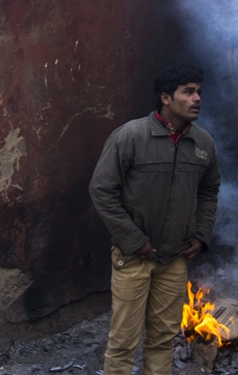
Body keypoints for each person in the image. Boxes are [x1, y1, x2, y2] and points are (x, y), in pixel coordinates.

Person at [89, 64, 221, 375]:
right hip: (133, 258)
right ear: (165, 98)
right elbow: (101, 190)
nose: (197, 98)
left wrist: (201, 234)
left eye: (199, 92)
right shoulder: (131, 136)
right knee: (123, 342)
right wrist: (134, 241)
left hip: (174, 260)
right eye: (188, 92)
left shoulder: (203, 144)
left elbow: (209, 191)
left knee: (163, 340)